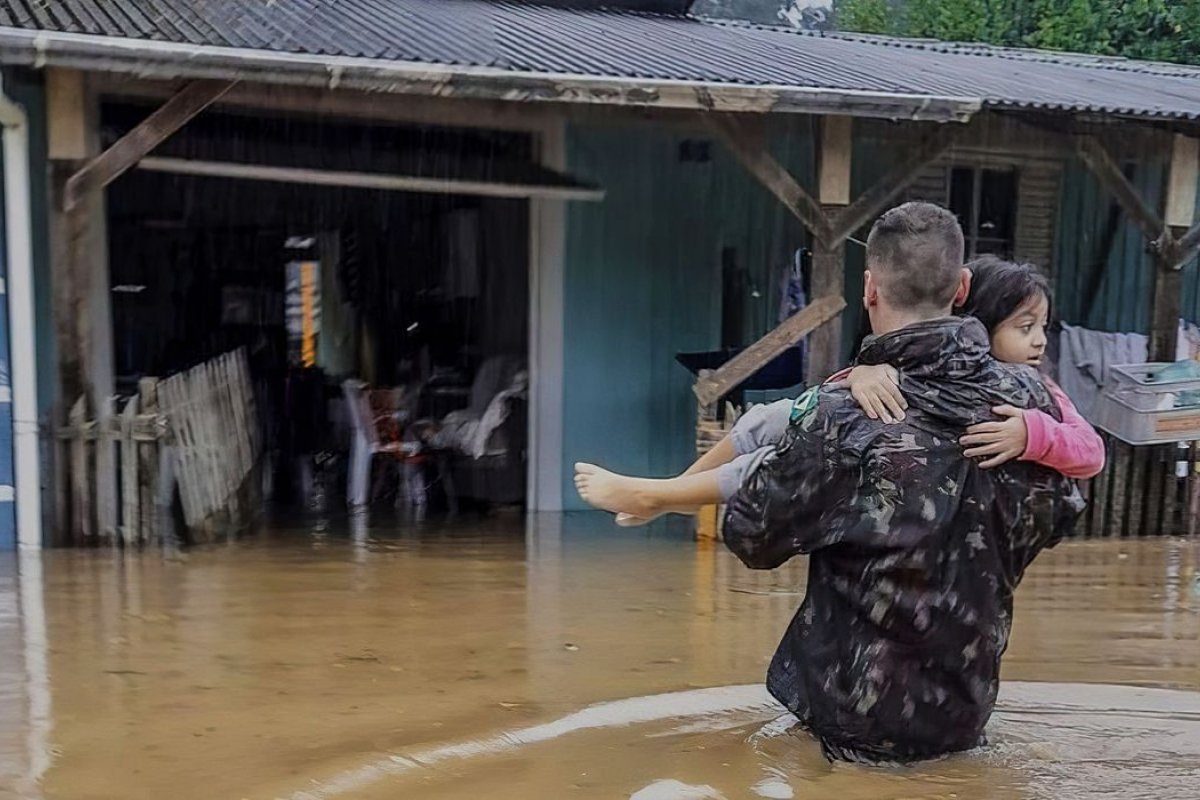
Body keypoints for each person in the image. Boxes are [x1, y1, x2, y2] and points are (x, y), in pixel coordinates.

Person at [574, 256, 1103, 523]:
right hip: (899, 471)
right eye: (1024, 326)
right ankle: (674, 493)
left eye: (1041, 328)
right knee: (767, 420)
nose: (1037, 342)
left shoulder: (1035, 394)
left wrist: (1032, 434)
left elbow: (1091, 452)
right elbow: (836, 402)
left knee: (777, 463)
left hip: (920, 489)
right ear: (973, 314)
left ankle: (659, 497)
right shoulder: (913, 358)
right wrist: (860, 374)